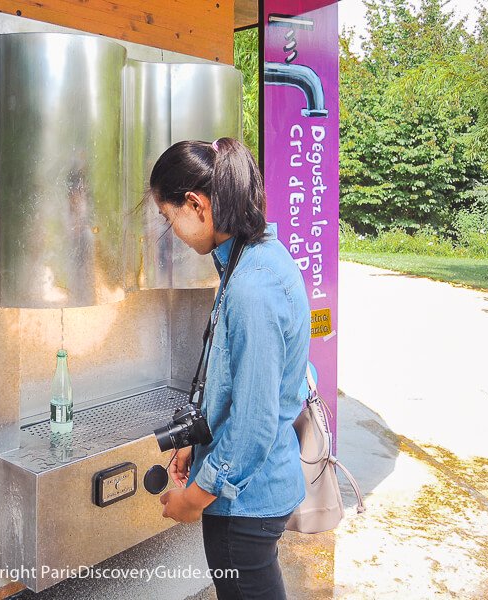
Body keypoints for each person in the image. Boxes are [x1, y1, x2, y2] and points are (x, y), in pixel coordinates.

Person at [152, 138, 310, 599]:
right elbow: (238, 388)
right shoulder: (253, 258)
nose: (173, 231)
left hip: (245, 505)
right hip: (253, 494)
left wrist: (194, 498)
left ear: (196, 205)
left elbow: (255, 424)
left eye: (169, 217)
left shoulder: (251, 288)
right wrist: (195, 443)